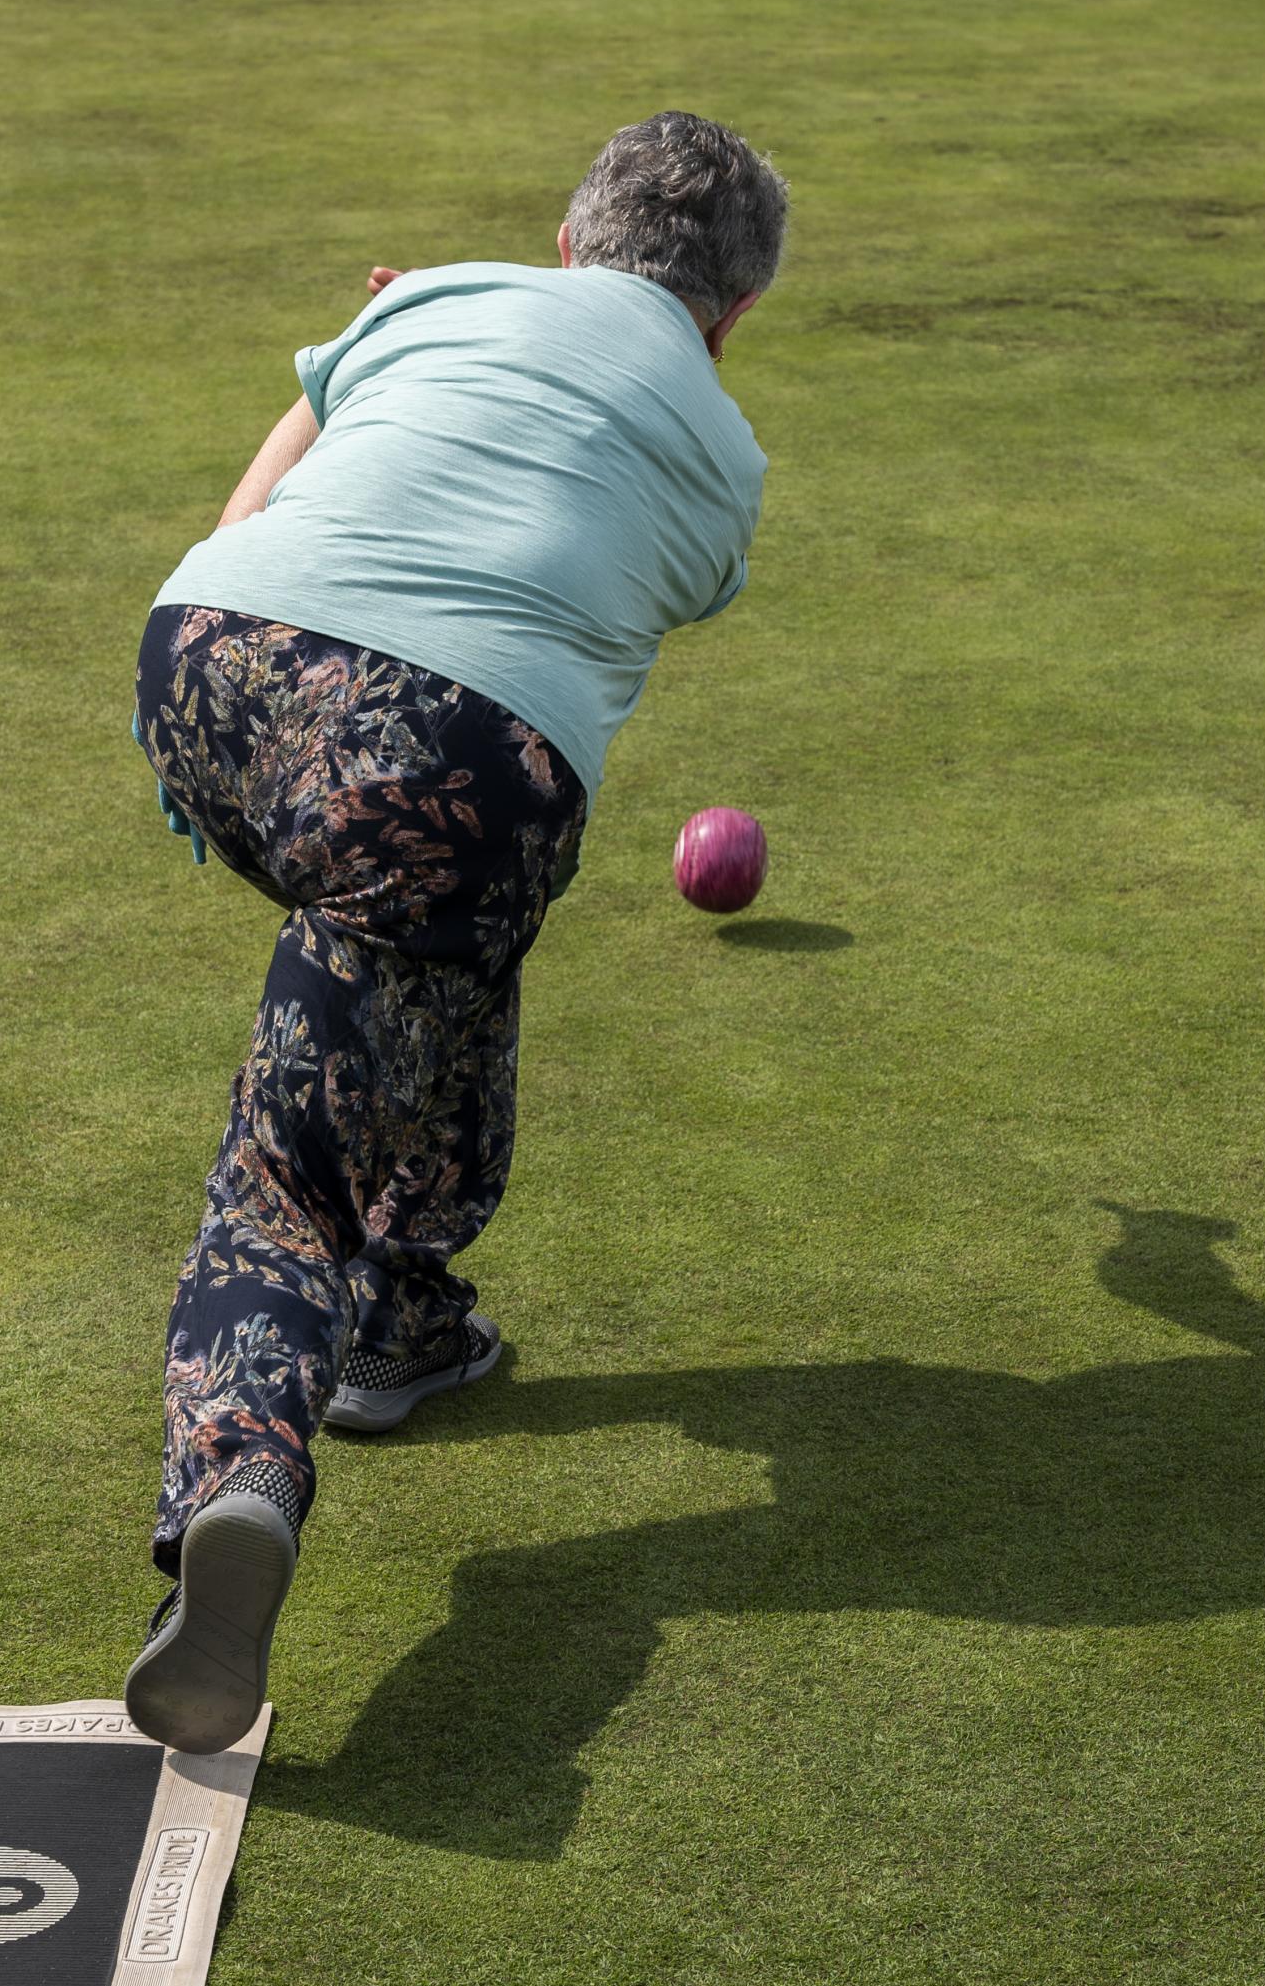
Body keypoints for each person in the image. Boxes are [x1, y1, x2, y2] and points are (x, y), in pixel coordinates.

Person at [122, 111, 788, 1754]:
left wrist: (369, 343)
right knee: (293, 1160)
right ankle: (243, 1484)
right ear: (732, 317)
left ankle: (406, 1322)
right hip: (448, 769)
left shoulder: (428, 299)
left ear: (568, 240)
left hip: (207, 657)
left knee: (422, 978)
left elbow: (270, 480)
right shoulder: (725, 458)